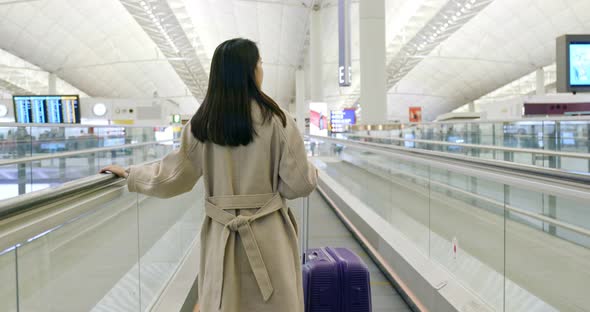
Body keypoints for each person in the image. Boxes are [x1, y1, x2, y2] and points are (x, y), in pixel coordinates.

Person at [100, 38, 317, 312]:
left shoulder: (203, 123)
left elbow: (172, 178)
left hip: (221, 238)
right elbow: (300, 184)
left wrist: (131, 174)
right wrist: (310, 173)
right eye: (260, 63)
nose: (262, 69)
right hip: (269, 233)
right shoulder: (278, 120)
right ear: (250, 70)